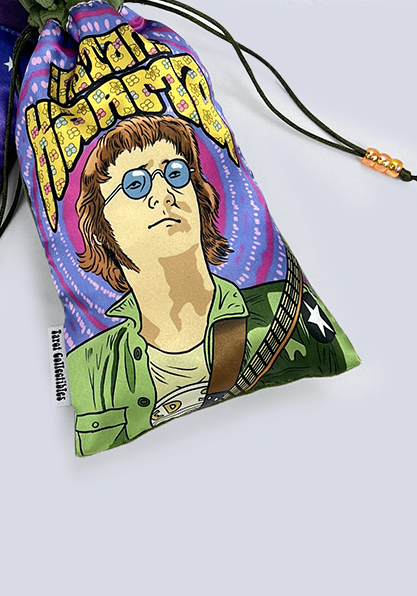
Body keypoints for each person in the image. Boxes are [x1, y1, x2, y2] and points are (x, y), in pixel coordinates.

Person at [68, 116, 358, 455]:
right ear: (99, 229)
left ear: (200, 198)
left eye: (176, 173)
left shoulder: (286, 307)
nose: (164, 194)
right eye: (136, 184)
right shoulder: (93, 363)